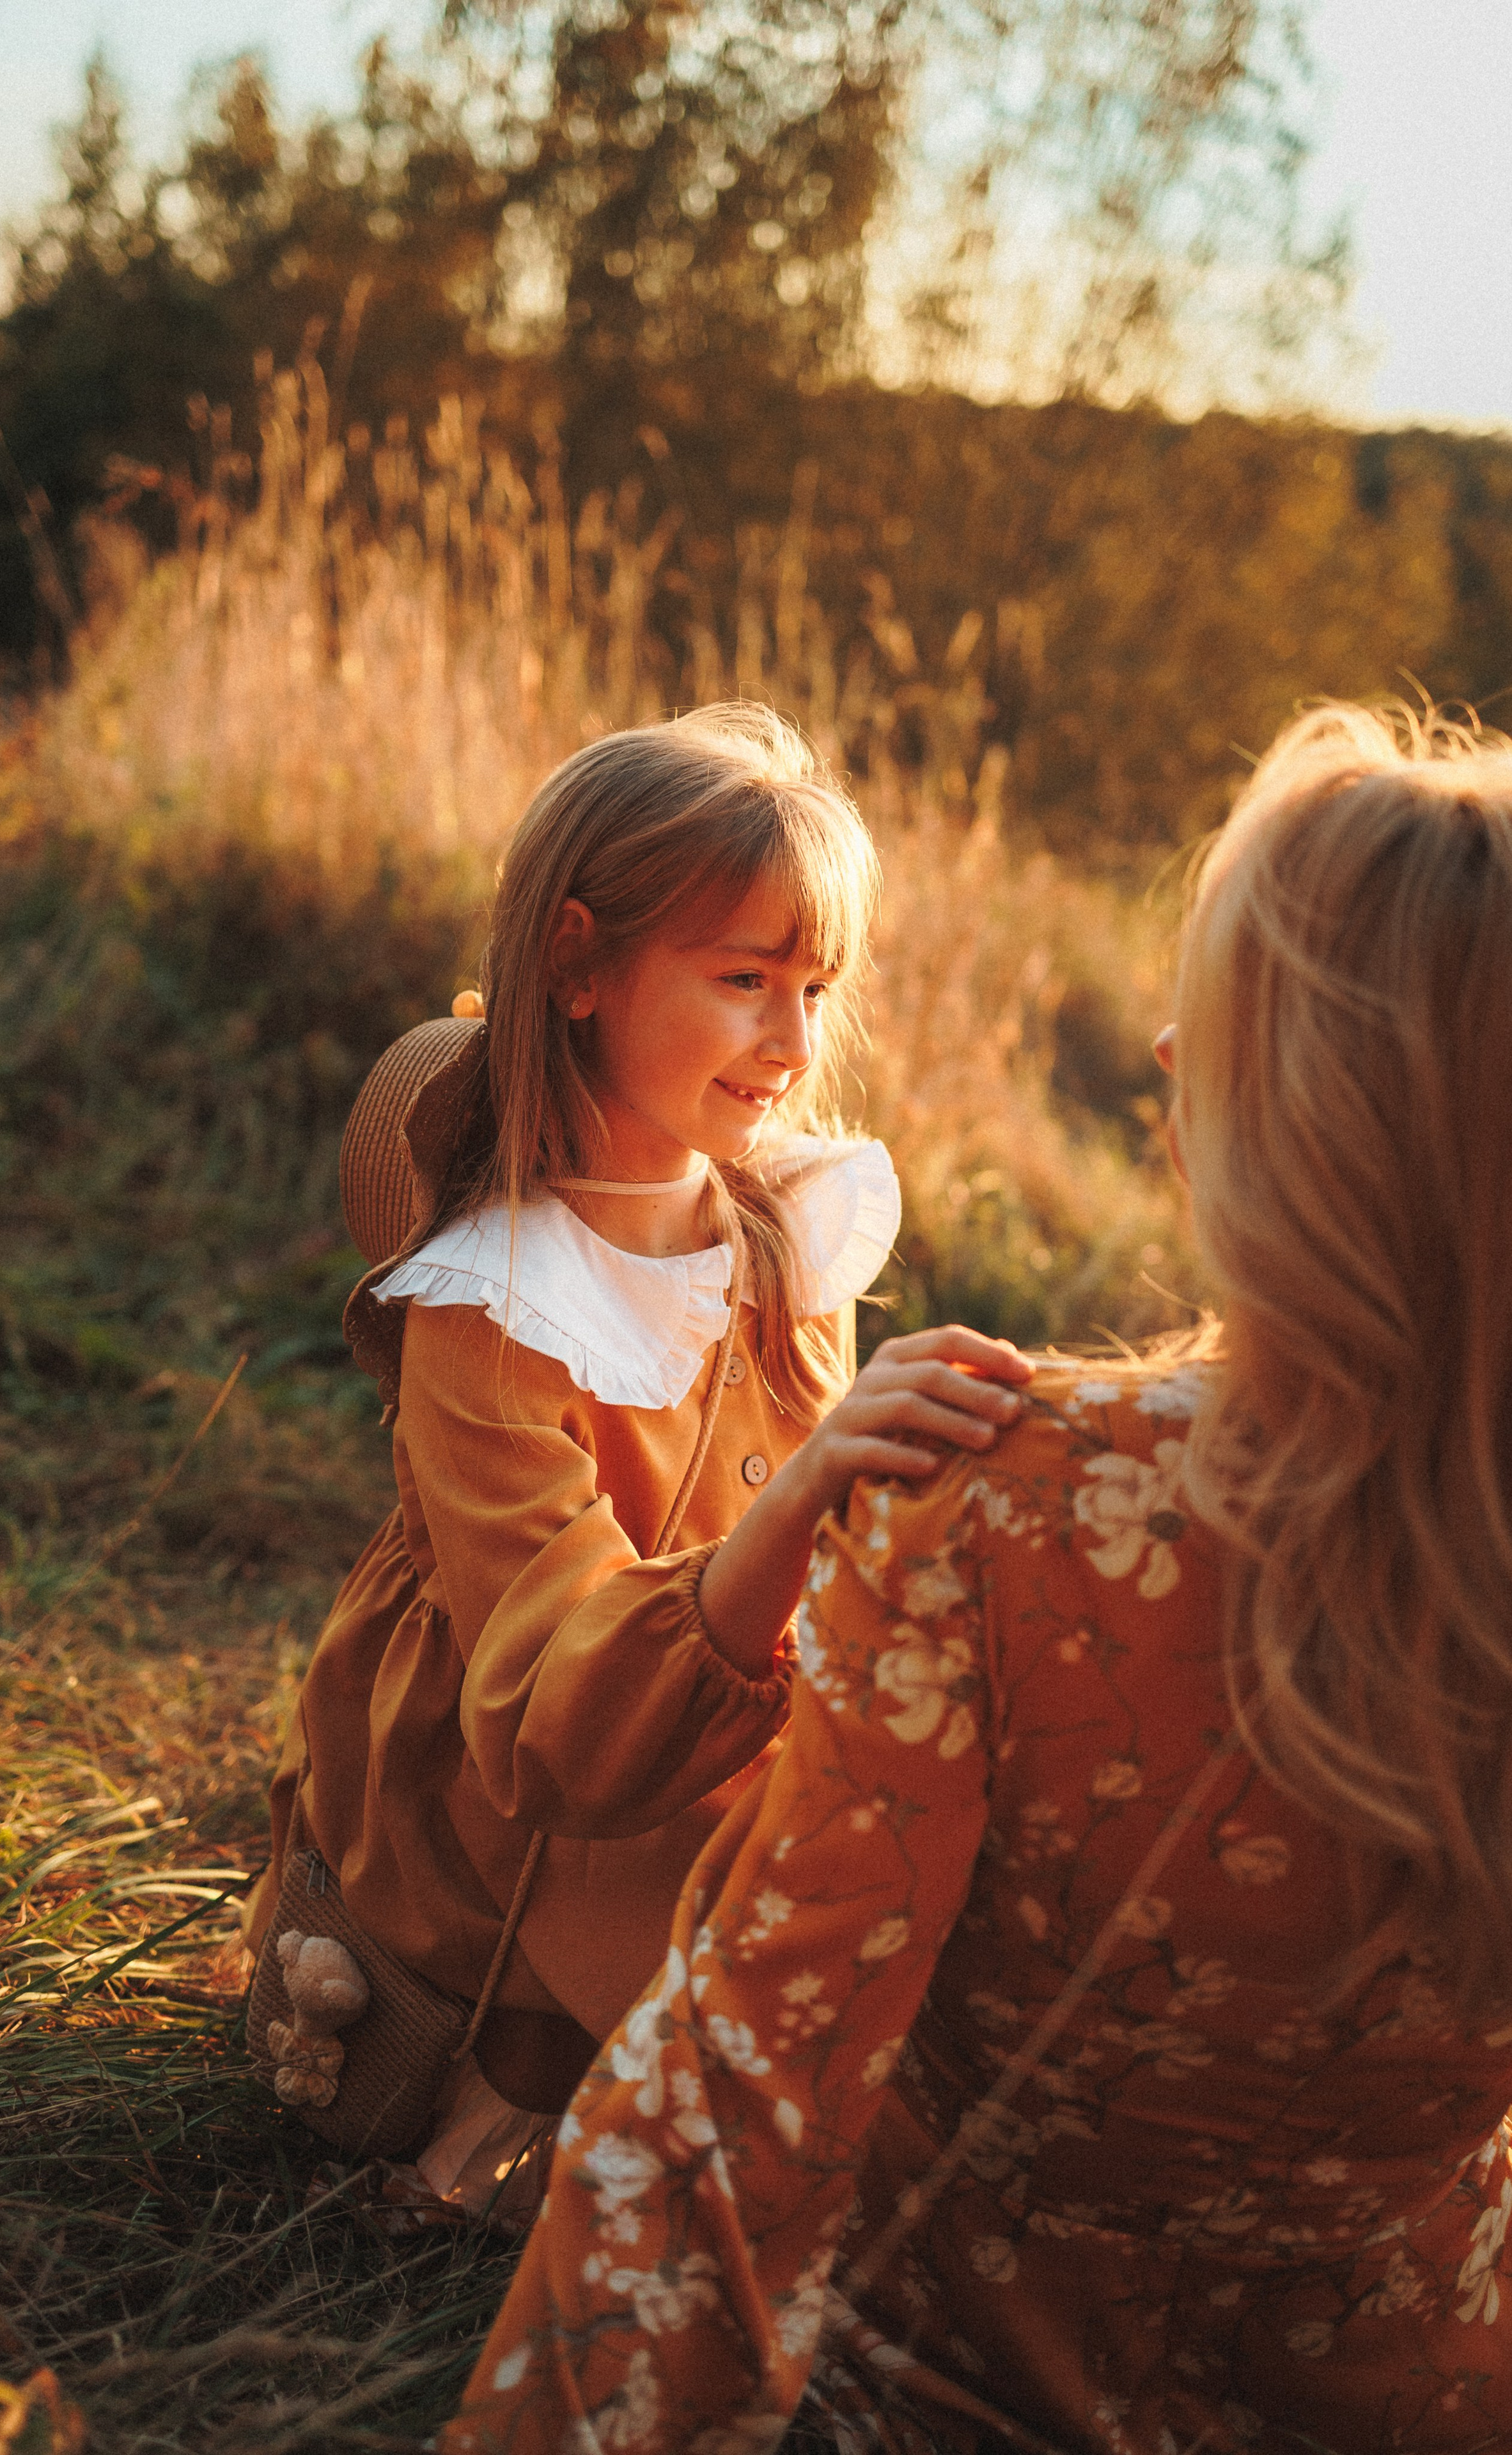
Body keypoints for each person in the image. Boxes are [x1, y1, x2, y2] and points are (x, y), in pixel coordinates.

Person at [442, 702, 1512, 2452]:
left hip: (973, 2390)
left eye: (1223, 1021)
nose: (1164, 1048)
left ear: (1319, 1101)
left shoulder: (1010, 1511)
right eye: (745, 979)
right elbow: (543, 1694)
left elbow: (742, 2098)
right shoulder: (505, 1316)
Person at [243, 704, 1031, 2218]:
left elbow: (831, 1561)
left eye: (816, 988)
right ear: (579, 964)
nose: (794, 1046)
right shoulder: (491, 1309)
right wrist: (805, 1500)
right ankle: (508, 2090)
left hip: (736, 1761)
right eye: (743, 982)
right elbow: (554, 1725)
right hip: (518, 1839)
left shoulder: (780, 1231)